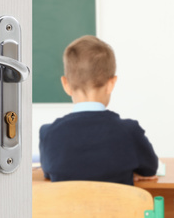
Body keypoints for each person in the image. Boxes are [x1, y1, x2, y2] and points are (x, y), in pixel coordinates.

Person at [39, 35, 158, 185]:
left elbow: (49, 172)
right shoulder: (129, 132)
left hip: (67, 209)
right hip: (117, 209)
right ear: (111, 83)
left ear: (66, 84)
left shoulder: (49, 134)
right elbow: (150, 169)